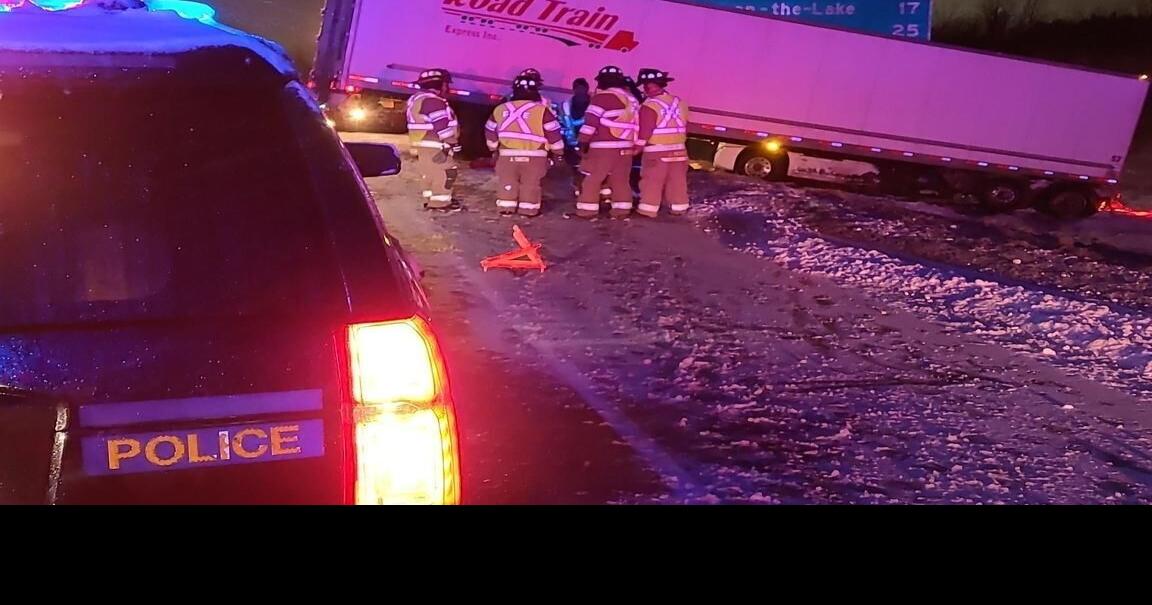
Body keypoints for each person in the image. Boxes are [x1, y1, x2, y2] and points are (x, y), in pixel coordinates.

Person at [485, 74, 565, 217]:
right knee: (531, 184)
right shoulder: (542, 110)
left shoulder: (500, 109)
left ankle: (506, 208)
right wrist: (558, 153)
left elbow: (490, 129)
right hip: (535, 157)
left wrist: (493, 147)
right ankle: (528, 211)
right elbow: (553, 133)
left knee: (507, 181)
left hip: (507, 156)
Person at [575, 65, 641, 219]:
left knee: (592, 179)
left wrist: (582, 142)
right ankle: (621, 210)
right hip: (626, 148)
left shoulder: (602, 97)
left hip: (603, 148)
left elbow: (590, 123)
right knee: (621, 180)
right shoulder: (631, 99)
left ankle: (586, 211)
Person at [635, 68, 690, 217]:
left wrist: (637, 147)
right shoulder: (680, 102)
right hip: (680, 151)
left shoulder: (649, 106)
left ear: (647, 86)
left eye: (645, 86)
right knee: (677, 181)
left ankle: (648, 209)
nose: (645, 89)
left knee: (652, 180)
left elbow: (645, 131)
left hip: (657, 151)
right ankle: (679, 208)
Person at [405, 68, 461, 210]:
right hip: (436, 145)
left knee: (430, 174)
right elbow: (441, 125)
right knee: (446, 173)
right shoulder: (433, 101)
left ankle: (430, 200)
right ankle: (440, 203)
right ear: (439, 85)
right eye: (445, 84)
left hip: (424, 144)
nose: (447, 87)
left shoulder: (417, 99)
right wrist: (453, 143)